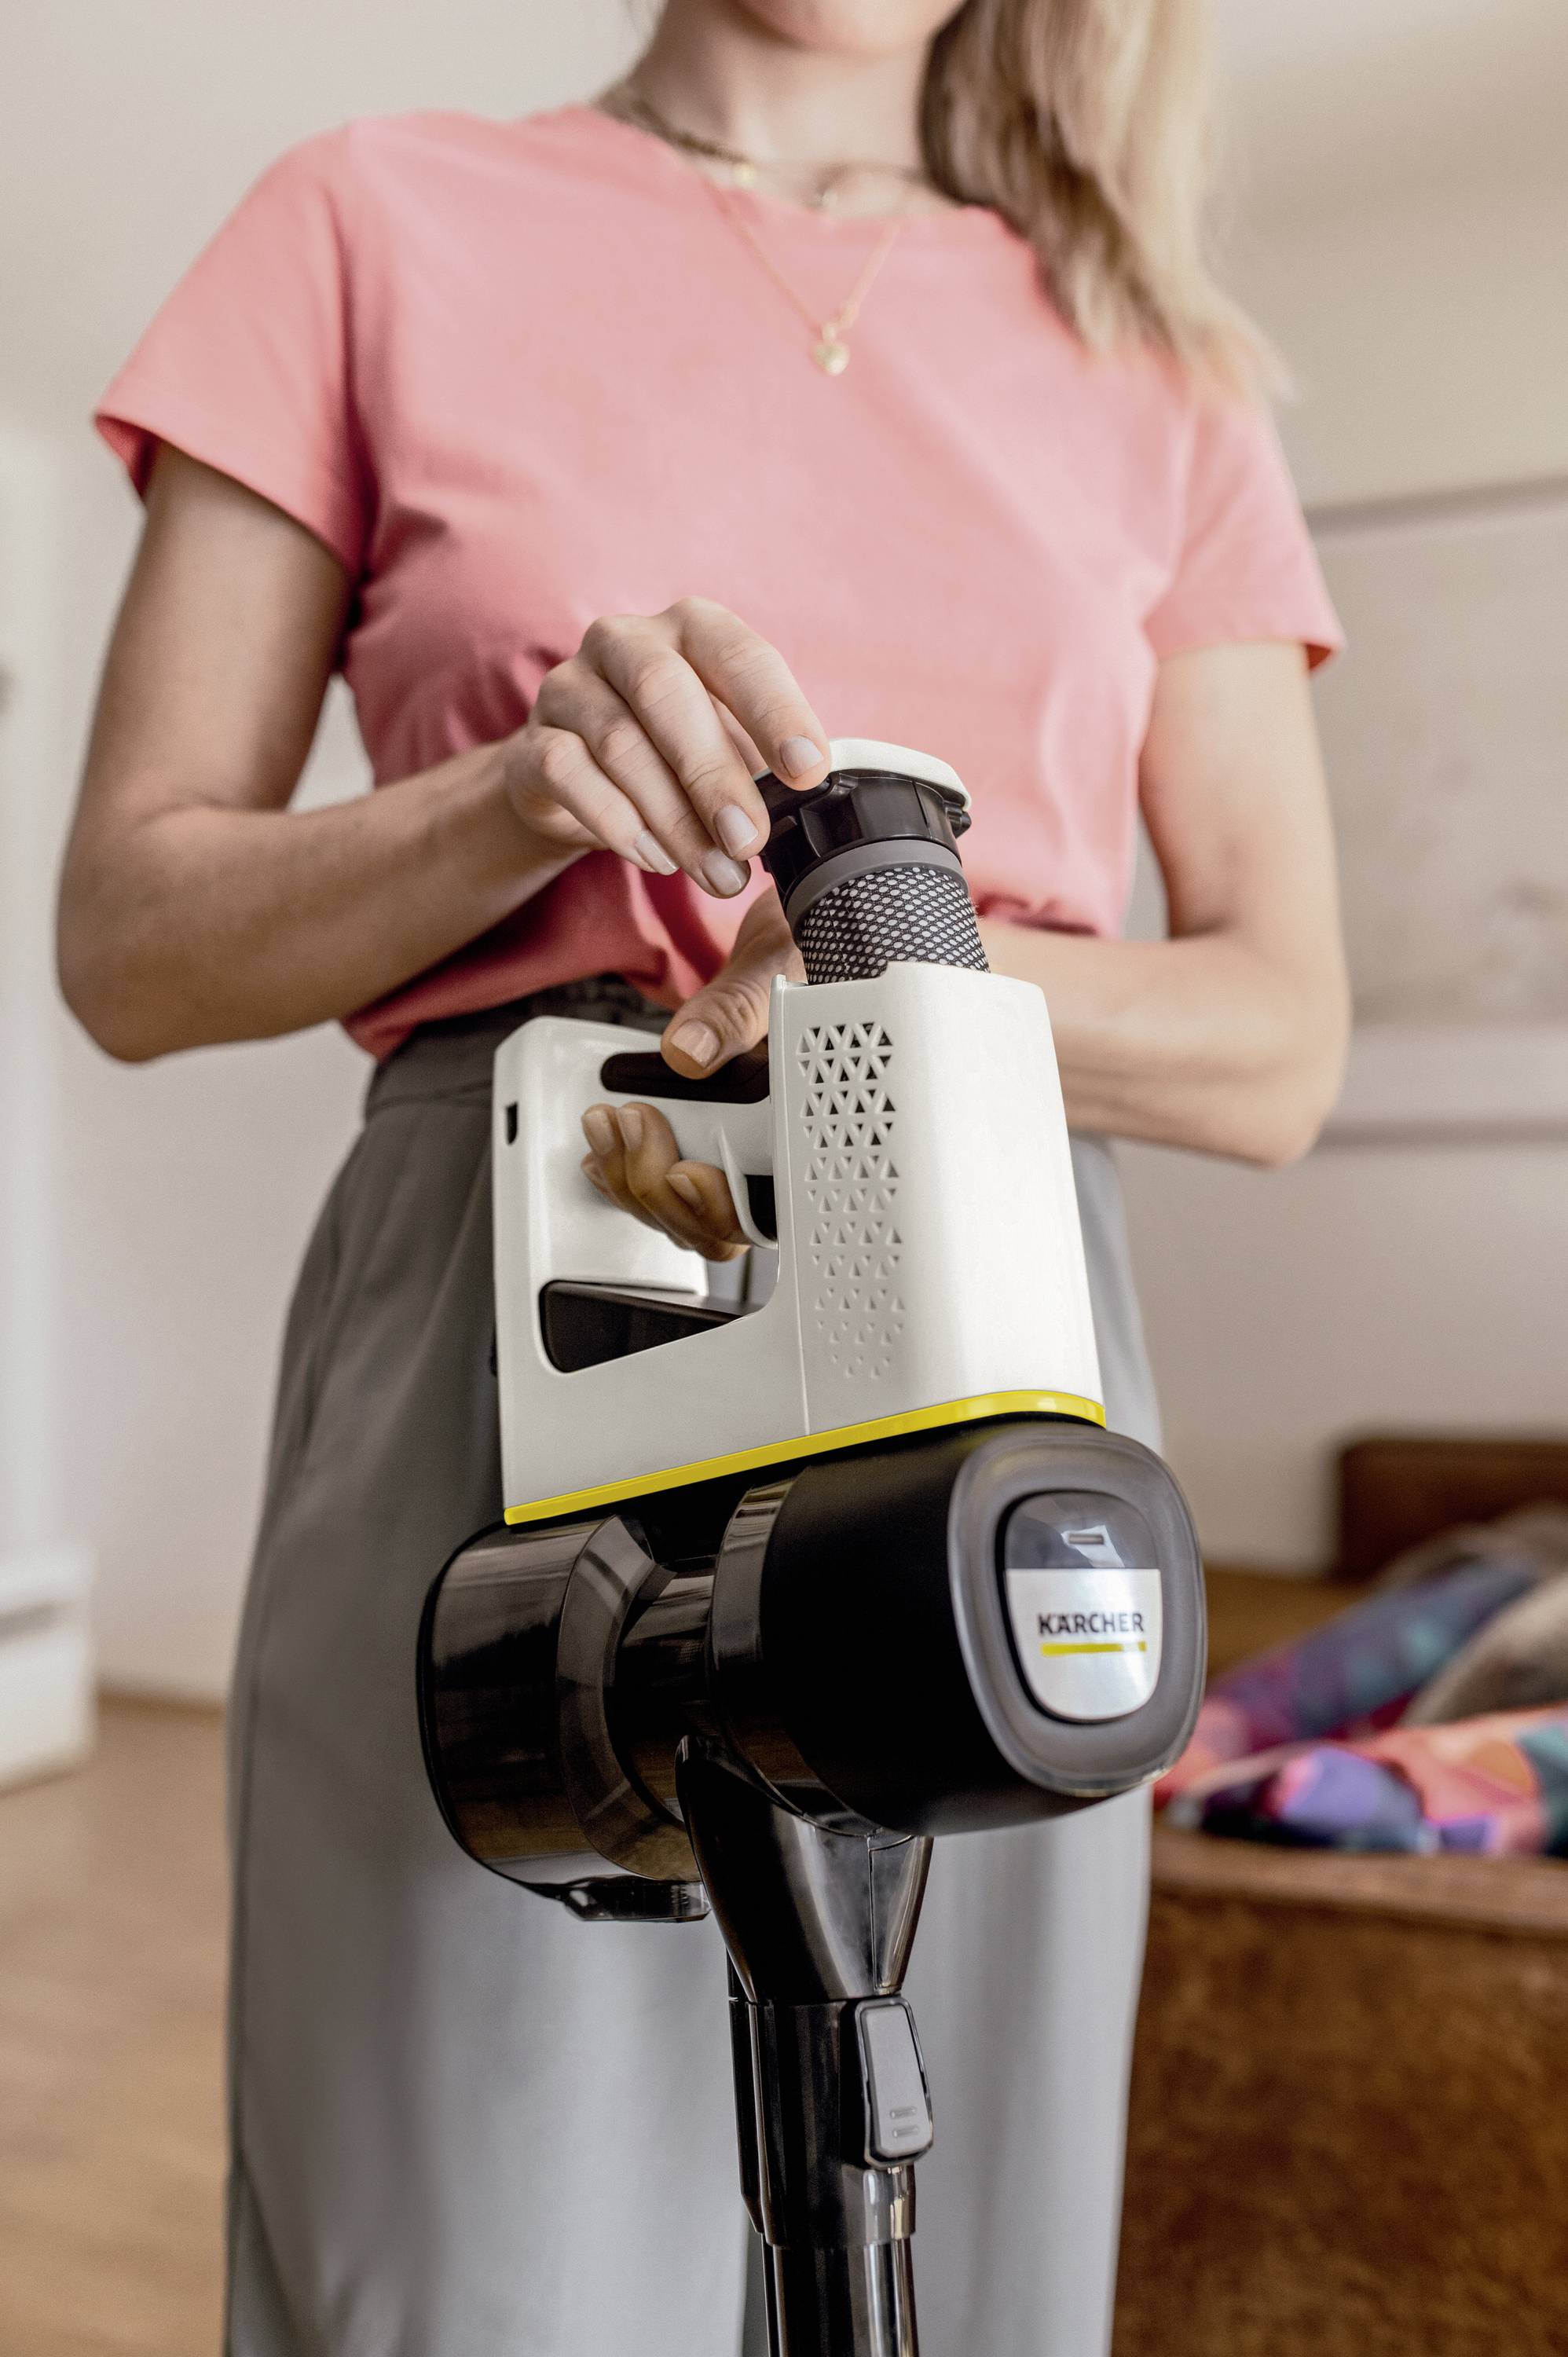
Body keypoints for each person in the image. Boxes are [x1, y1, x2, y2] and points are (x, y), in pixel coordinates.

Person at [57, 2, 1349, 2351]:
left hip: (992, 1318)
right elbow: (132, 943)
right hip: (525, 1281)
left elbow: (1277, 1032)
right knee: (470, 2269)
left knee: (958, 2260)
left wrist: (898, 970)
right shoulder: (366, 218)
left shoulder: (1154, 359)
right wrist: (510, 795)